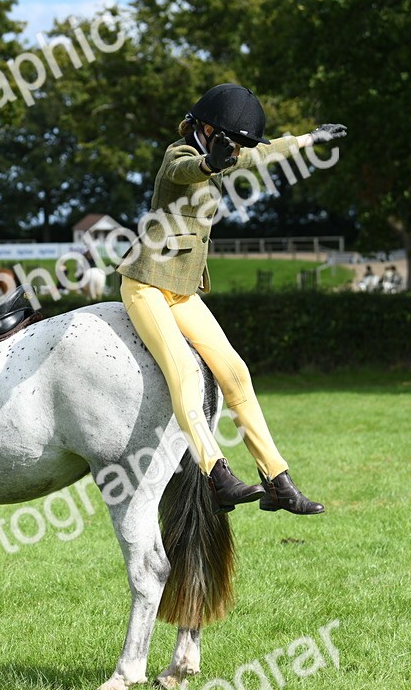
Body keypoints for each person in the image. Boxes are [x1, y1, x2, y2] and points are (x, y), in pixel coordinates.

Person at [118, 83, 346, 515]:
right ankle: (215, 474)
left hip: (181, 290)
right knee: (185, 371)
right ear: (206, 130)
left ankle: (277, 481)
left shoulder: (225, 152)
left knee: (236, 372)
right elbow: (188, 171)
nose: (238, 150)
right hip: (146, 284)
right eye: (233, 142)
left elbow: (265, 153)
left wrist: (310, 139)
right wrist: (209, 163)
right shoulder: (178, 155)